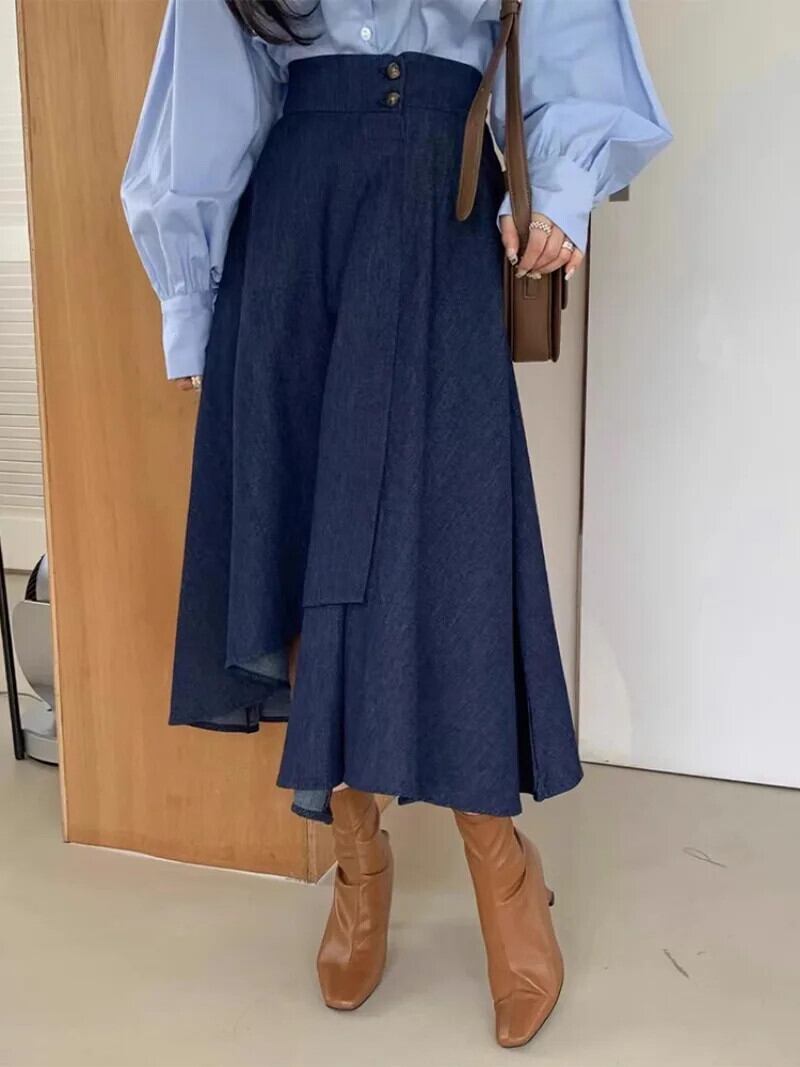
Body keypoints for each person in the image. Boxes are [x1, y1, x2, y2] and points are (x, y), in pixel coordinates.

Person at [122, 0, 671, 1048]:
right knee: (309, 547)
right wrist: (190, 295)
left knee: (454, 551)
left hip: (439, 202)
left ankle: (498, 860)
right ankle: (357, 854)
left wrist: (561, 185)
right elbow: (209, 75)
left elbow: (565, 31)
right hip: (297, 222)